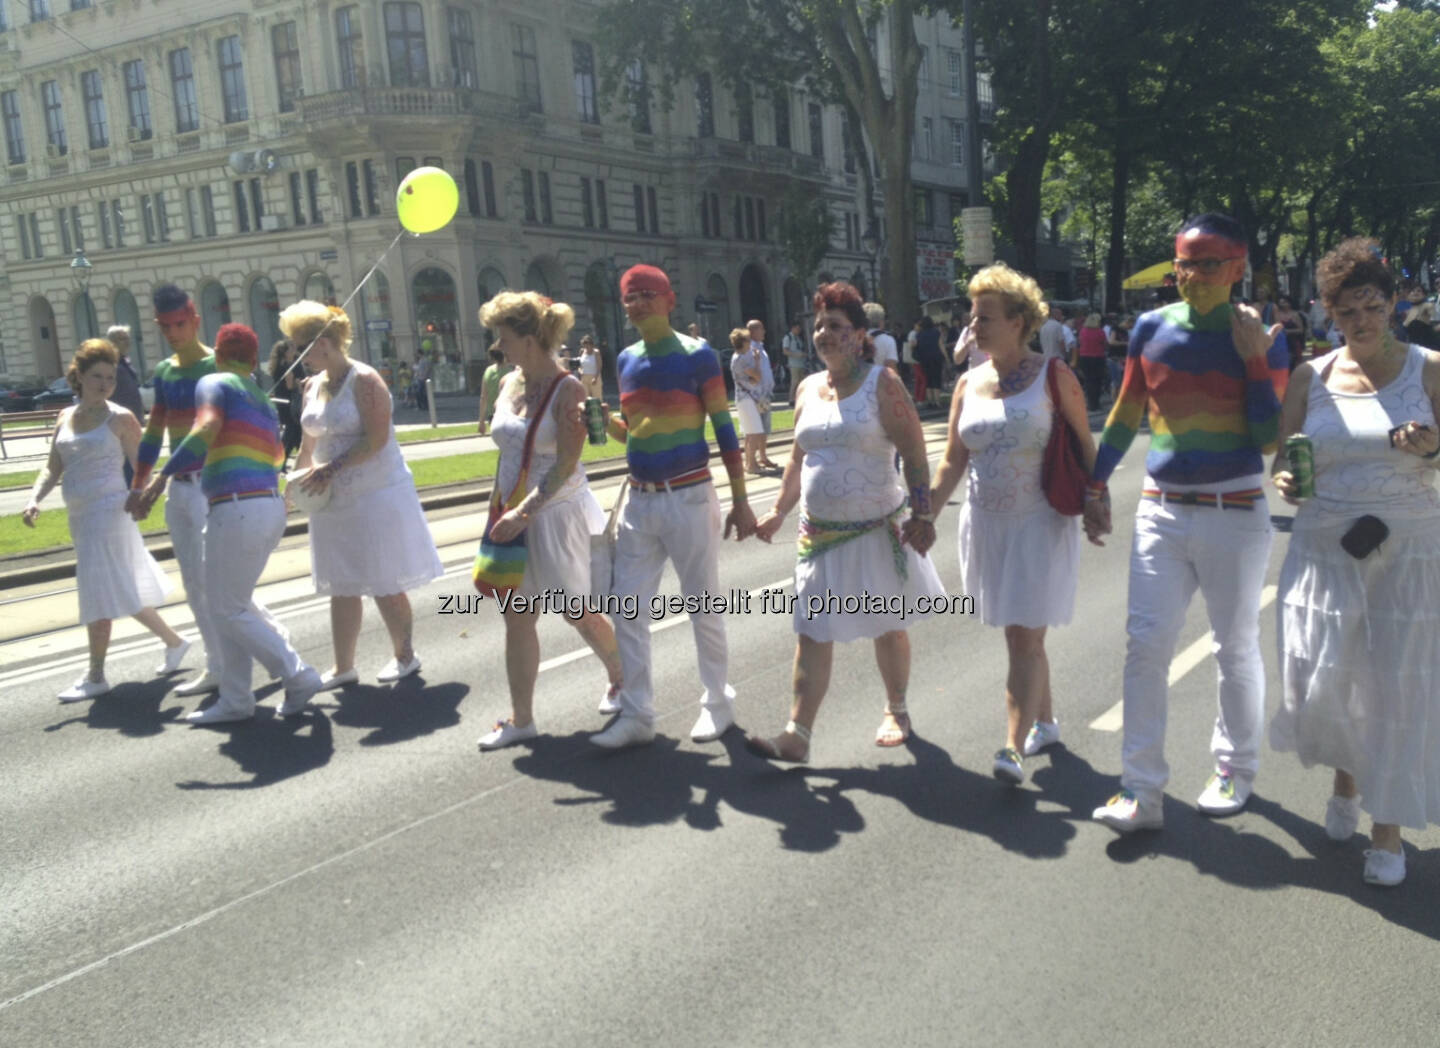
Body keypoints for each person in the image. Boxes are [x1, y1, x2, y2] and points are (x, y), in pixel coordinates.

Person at [1086, 213, 1289, 832]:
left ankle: (1235, 768)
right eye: (1182, 262)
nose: (1190, 275)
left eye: (1205, 263)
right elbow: (1124, 414)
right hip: (1161, 510)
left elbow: (1266, 438)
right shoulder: (1151, 326)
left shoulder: (1263, 336)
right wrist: (1094, 482)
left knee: (1235, 648)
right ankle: (1140, 790)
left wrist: (1255, 360)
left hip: (1235, 509)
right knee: (1145, 645)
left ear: (1236, 268)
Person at [1268, 238, 1440, 887]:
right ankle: (1346, 778)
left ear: (1393, 304)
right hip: (1323, 546)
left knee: (1398, 684)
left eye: (1372, 306)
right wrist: (1285, 480)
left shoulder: (1429, 369)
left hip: (1411, 550)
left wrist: (1430, 449)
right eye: (1348, 311)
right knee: (1325, 678)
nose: (1362, 321)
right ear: (1329, 313)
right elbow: (1285, 458)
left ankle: (1387, 830)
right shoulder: (1310, 376)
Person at [747, 282, 942, 762]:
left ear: (859, 335)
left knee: (889, 625)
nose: (823, 334)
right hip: (820, 536)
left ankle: (896, 708)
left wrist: (922, 512)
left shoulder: (884, 384)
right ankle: (797, 735)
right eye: (818, 326)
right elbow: (797, 458)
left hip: (878, 531)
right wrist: (778, 508)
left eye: (835, 326)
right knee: (811, 630)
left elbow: (915, 452)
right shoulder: (807, 388)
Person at [930, 266, 1098, 783]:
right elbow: (953, 460)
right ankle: (1044, 721)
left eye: (985, 318)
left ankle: (1011, 747)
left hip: (1038, 522)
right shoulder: (968, 382)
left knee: (1023, 639)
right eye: (972, 316)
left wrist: (1098, 499)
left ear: (1019, 322)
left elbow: (1086, 445)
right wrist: (923, 516)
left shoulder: (1055, 375)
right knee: (1021, 633)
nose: (973, 326)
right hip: (987, 524)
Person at [591, 264, 756, 749]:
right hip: (640, 501)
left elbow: (724, 429)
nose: (636, 303)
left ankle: (717, 704)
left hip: (688, 495)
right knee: (627, 608)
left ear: (669, 300)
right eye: (629, 297)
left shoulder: (698, 356)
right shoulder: (624, 359)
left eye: (646, 294)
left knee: (701, 604)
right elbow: (635, 428)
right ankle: (638, 714)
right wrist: (608, 424)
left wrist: (741, 501)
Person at [134, 324, 322, 723]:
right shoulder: (260, 397)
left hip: (235, 509)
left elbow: (205, 429)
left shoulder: (213, 382)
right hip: (267, 507)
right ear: (253, 362)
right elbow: (274, 455)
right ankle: (237, 699)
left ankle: (296, 672)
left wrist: (161, 477)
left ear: (218, 356)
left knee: (226, 607)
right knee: (231, 604)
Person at [473, 292, 626, 749]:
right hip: (512, 509)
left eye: (505, 336)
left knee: (576, 611)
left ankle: (622, 678)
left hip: (557, 513)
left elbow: (565, 465)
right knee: (517, 615)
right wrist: (497, 508)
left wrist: (524, 512)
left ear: (532, 338)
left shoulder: (570, 389)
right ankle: (522, 720)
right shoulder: (507, 383)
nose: (499, 345)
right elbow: (507, 455)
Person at [284, 301, 444, 689]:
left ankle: (405, 656)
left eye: (299, 346)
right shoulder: (314, 386)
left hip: (375, 495)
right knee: (341, 583)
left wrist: (331, 468)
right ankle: (343, 666)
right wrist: (296, 482)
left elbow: (376, 440)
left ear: (323, 343)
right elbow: (309, 445)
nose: (294, 355)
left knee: (384, 580)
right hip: (330, 500)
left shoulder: (366, 380)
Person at [23, 339, 189, 701]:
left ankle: (96, 674)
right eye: (97, 376)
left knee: (98, 591)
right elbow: (53, 468)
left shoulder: (121, 418)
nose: (104, 383)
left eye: (110, 378)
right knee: (119, 588)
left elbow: (143, 464)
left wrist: (139, 494)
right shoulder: (65, 417)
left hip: (110, 512)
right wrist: (35, 499)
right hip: (80, 517)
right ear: (79, 376)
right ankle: (176, 642)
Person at [126, 284, 225, 698]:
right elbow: (154, 431)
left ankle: (247, 653)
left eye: (179, 323)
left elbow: (214, 430)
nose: (172, 332)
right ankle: (219, 662)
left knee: (219, 581)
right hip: (179, 490)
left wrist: (159, 477)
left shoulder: (216, 367)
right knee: (195, 582)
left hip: (213, 486)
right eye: (164, 326)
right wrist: (138, 481)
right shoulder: (164, 372)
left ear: (195, 319)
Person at [729, 328, 769, 475]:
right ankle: (752, 465)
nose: (750, 343)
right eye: (747, 340)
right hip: (747, 399)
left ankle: (748, 463)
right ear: (743, 342)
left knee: (749, 433)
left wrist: (753, 377)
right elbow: (757, 376)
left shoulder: (738, 357)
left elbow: (753, 378)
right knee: (754, 433)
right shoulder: (741, 359)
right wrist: (757, 362)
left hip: (745, 398)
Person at [747, 318, 781, 470]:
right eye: (761, 329)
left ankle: (762, 457)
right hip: (757, 395)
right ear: (753, 331)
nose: (764, 331)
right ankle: (751, 460)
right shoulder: (750, 349)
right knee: (756, 428)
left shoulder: (761, 348)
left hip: (765, 394)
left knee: (764, 428)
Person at [267, 339, 304, 468]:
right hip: (287, 403)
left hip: (296, 401)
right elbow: (289, 386)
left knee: (297, 432)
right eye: (291, 348)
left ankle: (288, 460)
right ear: (285, 352)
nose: (294, 349)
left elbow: (301, 381)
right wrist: (295, 382)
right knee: (292, 429)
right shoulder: (282, 367)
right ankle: (279, 460)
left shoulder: (297, 364)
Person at [1076, 312, 1109, 411]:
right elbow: (1105, 344)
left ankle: (1090, 403)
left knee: (1088, 380)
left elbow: (1079, 343)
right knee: (1097, 381)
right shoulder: (1100, 332)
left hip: (1085, 358)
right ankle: (1096, 403)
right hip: (1098, 358)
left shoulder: (1083, 331)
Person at [476, 349, 514, 436]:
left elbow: (483, 397)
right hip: (509, 413)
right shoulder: (511, 371)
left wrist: (481, 421)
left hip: (492, 415)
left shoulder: (488, 371)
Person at [912, 315, 945, 406]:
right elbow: (941, 345)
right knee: (936, 379)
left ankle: (930, 401)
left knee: (928, 380)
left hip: (924, 359)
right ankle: (937, 401)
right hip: (936, 358)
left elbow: (916, 346)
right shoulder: (936, 332)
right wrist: (946, 357)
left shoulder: (919, 334)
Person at [1274, 294, 1309, 372]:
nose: (1282, 304)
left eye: (1284, 302)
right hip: (1281, 343)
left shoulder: (1295, 315)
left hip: (1293, 343)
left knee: (1293, 365)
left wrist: (1288, 331)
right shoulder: (1277, 314)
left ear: (1289, 304)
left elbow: (1301, 330)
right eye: (1281, 303)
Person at [863, 303, 900, 373]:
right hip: (880, 382)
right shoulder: (888, 340)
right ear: (881, 321)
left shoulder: (855, 338)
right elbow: (891, 369)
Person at [1105, 314, 1131, 399]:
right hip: (1114, 358)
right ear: (1126, 322)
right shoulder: (1115, 328)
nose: (1130, 327)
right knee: (1116, 382)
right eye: (1130, 325)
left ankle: (1119, 400)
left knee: (1121, 382)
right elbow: (1111, 342)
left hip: (1123, 359)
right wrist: (1125, 343)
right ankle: (1114, 401)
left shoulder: (1125, 331)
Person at [782, 319, 808, 406]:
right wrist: (797, 355)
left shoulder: (798, 338)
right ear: (793, 328)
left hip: (801, 363)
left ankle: (798, 398)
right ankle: (791, 398)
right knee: (795, 381)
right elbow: (785, 351)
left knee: (800, 381)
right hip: (794, 364)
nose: (799, 330)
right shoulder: (788, 338)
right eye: (797, 329)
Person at [577, 333, 603, 399]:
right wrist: (580, 371)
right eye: (584, 346)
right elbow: (579, 365)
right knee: (585, 399)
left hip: (594, 377)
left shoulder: (596, 352)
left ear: (591, 345)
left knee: (597, 398)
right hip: (584, 378)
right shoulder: (581, 351)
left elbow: (599, 366)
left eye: (587, 346)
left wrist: (595, 378)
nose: (586, 348)